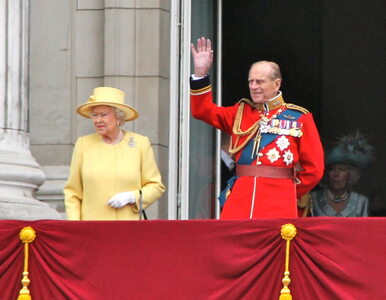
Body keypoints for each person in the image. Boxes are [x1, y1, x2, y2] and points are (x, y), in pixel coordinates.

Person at [190, 37, 324, 219]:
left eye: (259, 82)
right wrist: (200, 73)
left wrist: (286, 192)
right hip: (239, 204)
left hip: (279, 206)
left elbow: (314, 170)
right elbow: (202, 111)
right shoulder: (240, 113)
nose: (253, 87)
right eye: (250, 82)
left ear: (277, 84)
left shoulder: (300, 118)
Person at [64, 86, 165, 220]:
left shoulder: (140, 144)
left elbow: (156, 186)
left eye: (104, 115)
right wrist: (75, 226)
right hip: (92, 230)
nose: (98, 120)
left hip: (127, 229)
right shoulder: (84, 144)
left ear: (119, 117)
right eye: (94, 115)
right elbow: (73, 192)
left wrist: (132, 197)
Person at [311, 132, 373, 217]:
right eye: (332, 169)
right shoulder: (313, 199)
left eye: (342, 170)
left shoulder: (361, 202)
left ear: (350, 174)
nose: (336, 174)